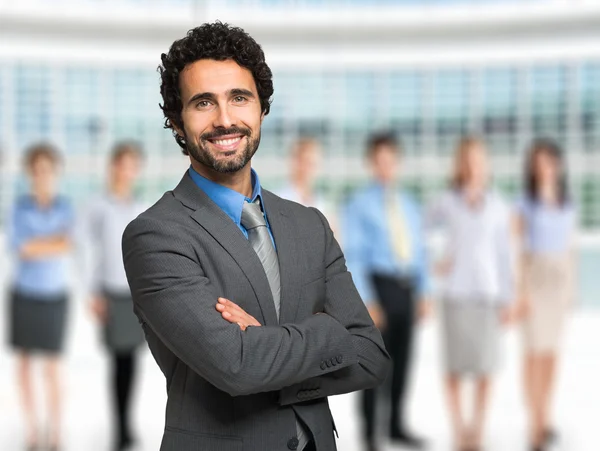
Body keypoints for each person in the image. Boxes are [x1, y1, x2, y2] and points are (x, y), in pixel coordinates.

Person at [121, 22, 390, 451]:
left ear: (262, 108)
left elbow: (372, 357)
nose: (225, 119)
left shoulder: (309, 225)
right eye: (203, 103)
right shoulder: (155, 235)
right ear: (175, 121)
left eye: (239, 98)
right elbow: (237, 365)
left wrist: (268, 341)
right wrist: (326, 331)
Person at [427, 137, 515, 451]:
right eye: (468, 160)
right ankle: (459, 429)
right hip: (455, 295)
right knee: (454, 367)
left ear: (485, 164)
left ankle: (477, 429)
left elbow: (506, 255)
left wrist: (508, 297)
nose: (473, 166)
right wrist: (436, 261)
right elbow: (425, 232)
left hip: (487, 295)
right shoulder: (446, 201)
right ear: (461, 164)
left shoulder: (499, 205)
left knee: (485, 368)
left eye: (479, 160)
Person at [343, 133, 430, 451]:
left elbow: (421, 250)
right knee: (373, 363)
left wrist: (424, 291)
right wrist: (367, 300)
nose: (385, 166)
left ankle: (396, 426)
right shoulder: (359, 204)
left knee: (404, 361)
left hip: (406, 286)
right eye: (379, 160)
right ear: (371, 163)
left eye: (390, 160)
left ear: (397, 162)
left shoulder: (409, 203)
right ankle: (370, 434)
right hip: (379, 287)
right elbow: (354, 255)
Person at [7, 143, 74, 451]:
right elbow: (21, 248)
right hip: (24, 294)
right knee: (23, 366)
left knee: (51, 367)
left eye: (46, 169)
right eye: (36, 169)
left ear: (54, 172)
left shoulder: (65, 207)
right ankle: (33, 431)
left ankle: (56, 432)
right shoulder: (19, 207)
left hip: (54, 295)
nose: (41, 175)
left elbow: (66, 245)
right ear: (29, 173)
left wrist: (39, 245)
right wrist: (52, 243)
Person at [80, 142, 146, 451]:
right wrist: (92, 292)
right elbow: (87, 251)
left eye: (133, 165)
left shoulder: (139, 206)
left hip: (136, 294)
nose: (127, 171)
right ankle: (120, 428)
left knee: (132, 361)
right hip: (111, 293)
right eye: (123, 164)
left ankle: (126, 425)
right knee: (120, 361)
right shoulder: (98, 206)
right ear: (113, 167)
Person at [515, 139, 576, 451]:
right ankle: (534, 423)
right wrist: (521, 292)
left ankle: (546, 416)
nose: (544, 169)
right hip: (535, 284)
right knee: (534, 355)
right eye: (538, 163)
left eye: (548, 162)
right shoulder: (525, 203)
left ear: (557, 165)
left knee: (551, 355)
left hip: (558, 285)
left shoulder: (567, 202)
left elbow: (570, 250)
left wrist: (571, 290)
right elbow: (518, 252)